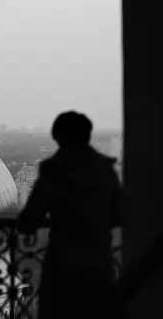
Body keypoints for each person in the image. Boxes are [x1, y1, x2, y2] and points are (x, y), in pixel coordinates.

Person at [17, 111, 124, 319]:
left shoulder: (54, 171)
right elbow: (122, 214)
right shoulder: (105, 170)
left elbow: (29, 219)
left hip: (63, 267)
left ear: (59, 137)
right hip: (99, 264)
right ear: (87, 136)